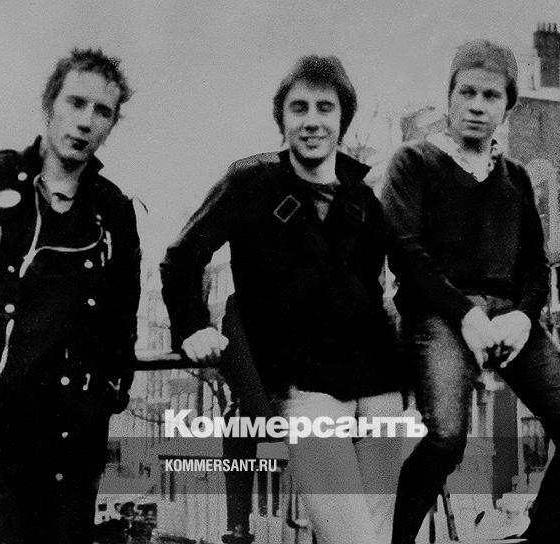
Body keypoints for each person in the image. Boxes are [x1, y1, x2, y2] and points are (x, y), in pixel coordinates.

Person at [160, 55, 404, 544]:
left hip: (376, 391)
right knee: (354, 539)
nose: (312, 121)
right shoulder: (249, 182)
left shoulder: (361, 199)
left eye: (324, 108)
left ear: (342, 118)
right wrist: (193, 327)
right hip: (302, 389)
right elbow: (182, 258)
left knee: (379, 532)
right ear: (282, 119)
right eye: (299, 108)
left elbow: (384, 285)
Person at [380, 39, 560, 544]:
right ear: (449, 97)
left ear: (507, 107)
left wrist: (524, 316)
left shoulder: (515, 178)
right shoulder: (413, 162)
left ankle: (541, 536)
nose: (477, 106)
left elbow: (535, 266)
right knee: (445, 439)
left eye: (491, 96)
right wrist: (465, 314)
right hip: (439, 316)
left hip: (509, 319)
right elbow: (405, 253)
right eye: (466, 92)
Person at [0, 48, 140, 544]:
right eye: (76, 103)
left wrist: (105, 398)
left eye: (102, 112)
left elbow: (122, 320)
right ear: (49, 104)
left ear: (111, 125)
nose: (86, 121)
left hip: (65, 443)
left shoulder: (113, 212)